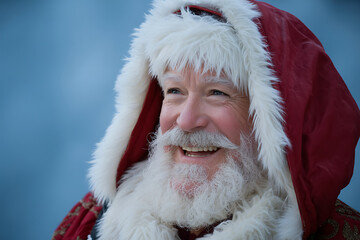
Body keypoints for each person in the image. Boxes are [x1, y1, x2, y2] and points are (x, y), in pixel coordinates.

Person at [52, 0, 360, 239]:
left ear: (273, 121)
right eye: (174, 90)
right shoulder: (91, 222)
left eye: (217, 93)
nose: (186, 121)